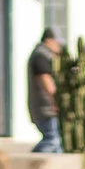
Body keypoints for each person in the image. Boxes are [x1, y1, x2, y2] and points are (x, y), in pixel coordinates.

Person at [26, 20, 64, 155]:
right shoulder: (41, 56)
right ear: (48, 40)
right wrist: (56, 100)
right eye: (57, 42)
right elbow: (45, 81)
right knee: (52, 140)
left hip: (46, 108)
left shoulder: (44, 55)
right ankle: (32, 162)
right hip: (45, 108)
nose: (59, 47)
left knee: (57, 144)